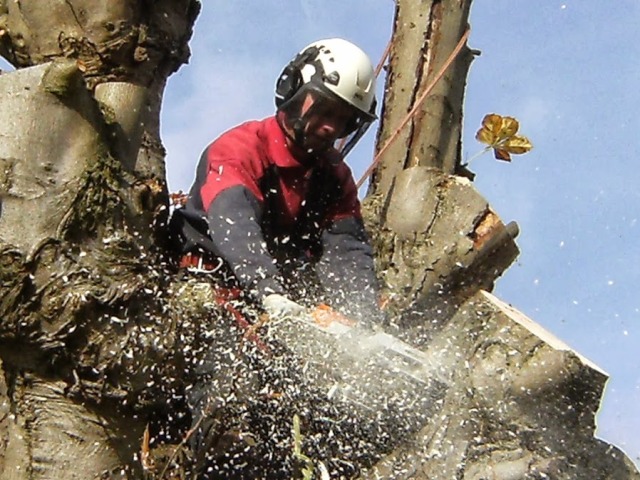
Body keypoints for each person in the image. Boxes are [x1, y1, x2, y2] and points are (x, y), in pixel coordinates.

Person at [170, 37, 383, 326]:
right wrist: (268, 290)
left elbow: (346, 249)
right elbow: (234, 222)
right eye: (325, 110)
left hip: (277, 300)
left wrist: (363, 320)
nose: (331, 127)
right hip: (208, 284)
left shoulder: (334, 177)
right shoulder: (240, 150)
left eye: (345, 120)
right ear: (294, 90)